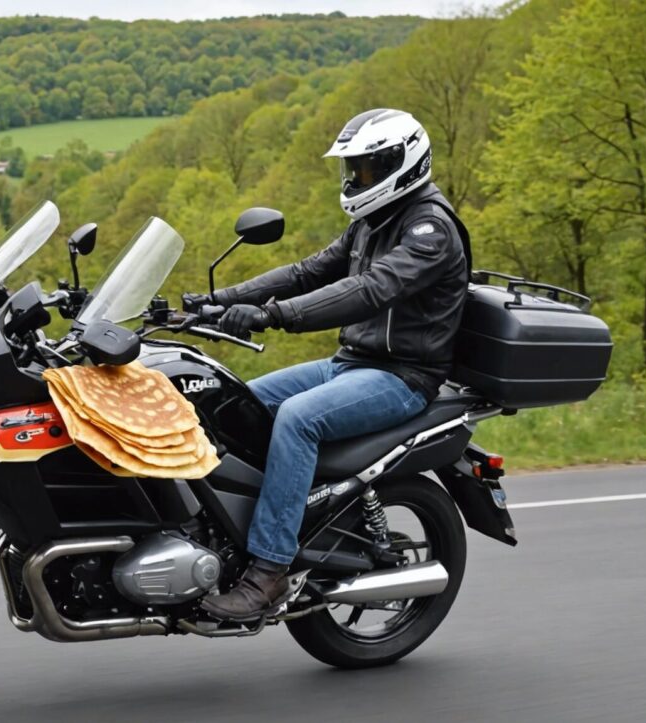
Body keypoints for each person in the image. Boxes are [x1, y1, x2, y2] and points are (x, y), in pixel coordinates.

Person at [187, 109, 471, 622]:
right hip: (351, 363)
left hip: (403, 377)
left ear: (402, 163)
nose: (356, 179)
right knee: (226, 397)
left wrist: (273, 317)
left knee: (299, 419)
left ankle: (268, 570)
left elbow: (371, 289)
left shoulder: (430, 230)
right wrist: (212, 300)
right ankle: (226, 532)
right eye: (353, 169)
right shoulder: (372, 220)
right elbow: (304, 273)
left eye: (367, 168)